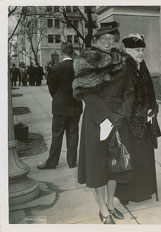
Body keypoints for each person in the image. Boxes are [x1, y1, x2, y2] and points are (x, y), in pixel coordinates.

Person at [72, 21, 134, 224]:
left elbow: (129, 91)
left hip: (118, 118)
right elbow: (86, 95)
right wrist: (108, 116)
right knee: (98, 166)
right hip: (97, 119)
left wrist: (123, 114)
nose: (108, 42)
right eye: (103, 38)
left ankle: (110, 203)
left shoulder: (121, 61)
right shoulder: (85, 61)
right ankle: (102, 209)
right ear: (96, 41)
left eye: (111, 38)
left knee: (114, 164)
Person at [115, 33, 161, 204]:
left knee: (144, 156)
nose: (141, 53)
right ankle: (127, 194)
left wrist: (153, 107)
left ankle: (144, 190)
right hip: (130, 121)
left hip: (145, 120)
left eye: (142, 49)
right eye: (137, 50)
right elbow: (122, 95)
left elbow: (150, 90)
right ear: (127, 50)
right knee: (131, 157)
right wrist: (140, 111)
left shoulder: (142, 65)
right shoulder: (123, 66)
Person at [37, 42, 83, 170]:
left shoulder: (56, 68)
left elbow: (51, 88)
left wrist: (58, 98)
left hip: (60, 107)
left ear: (61, 51)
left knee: (57, 136)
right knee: (73, 135)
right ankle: (72, 162)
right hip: (75, 106)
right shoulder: (78, 68)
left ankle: (52, 162)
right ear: (72, 51)